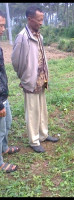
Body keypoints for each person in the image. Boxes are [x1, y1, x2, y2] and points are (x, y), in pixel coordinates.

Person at [11, 6, 59, 153]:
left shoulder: (39, 35)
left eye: (42, 20)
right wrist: (25, 76)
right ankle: (34, 140)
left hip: (41, 80)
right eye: (39, 20)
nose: (41, 23)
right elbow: (15, 61)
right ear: (30, 19)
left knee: (42, 110)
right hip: (30, 80)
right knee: (32, 111)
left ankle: (43, 134)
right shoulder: (23, 37)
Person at [0, 10, 20, 173]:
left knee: (7, 124)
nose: (2, 29)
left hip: (3, 96)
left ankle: (4, 148)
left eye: (3, 25)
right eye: (0, 25)